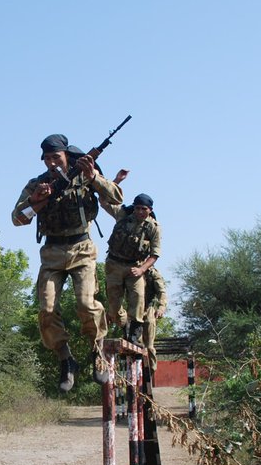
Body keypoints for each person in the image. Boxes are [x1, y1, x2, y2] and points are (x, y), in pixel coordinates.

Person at [12, 133, 123, 392]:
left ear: (66, 156)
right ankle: (65, 358)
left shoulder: (84, 175)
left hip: (81, 248)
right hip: (52, 252)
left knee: (86, 303)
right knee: (47, 309)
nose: (52, 163)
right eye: (47, 159)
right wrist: (36, 201)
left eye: (56, 157)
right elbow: (17, 218)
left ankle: (97, 351)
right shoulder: (37, 184)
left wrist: (94, 177)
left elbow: (116, 197)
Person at [104, 192, 161, 345]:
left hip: (135, 266)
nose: (140, 212)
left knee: (138, 298)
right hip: (114, 264)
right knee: (114, 307)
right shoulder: (123, 215)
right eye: (137, 208)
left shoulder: (153, 227)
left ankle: (134, 335)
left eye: (144, 209)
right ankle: (125, 325)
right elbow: (104, 202)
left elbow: (155, 254)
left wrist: (142, 269)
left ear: (150, 210)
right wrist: (116, 182)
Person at [141, 266, 168, 370]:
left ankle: (151, 371)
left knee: (149, 346)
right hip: (133, 310)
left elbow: (162, 292)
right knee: (132, 345)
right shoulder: (131, 269)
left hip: (148, 309)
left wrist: (161, 307)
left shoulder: (153, 274)